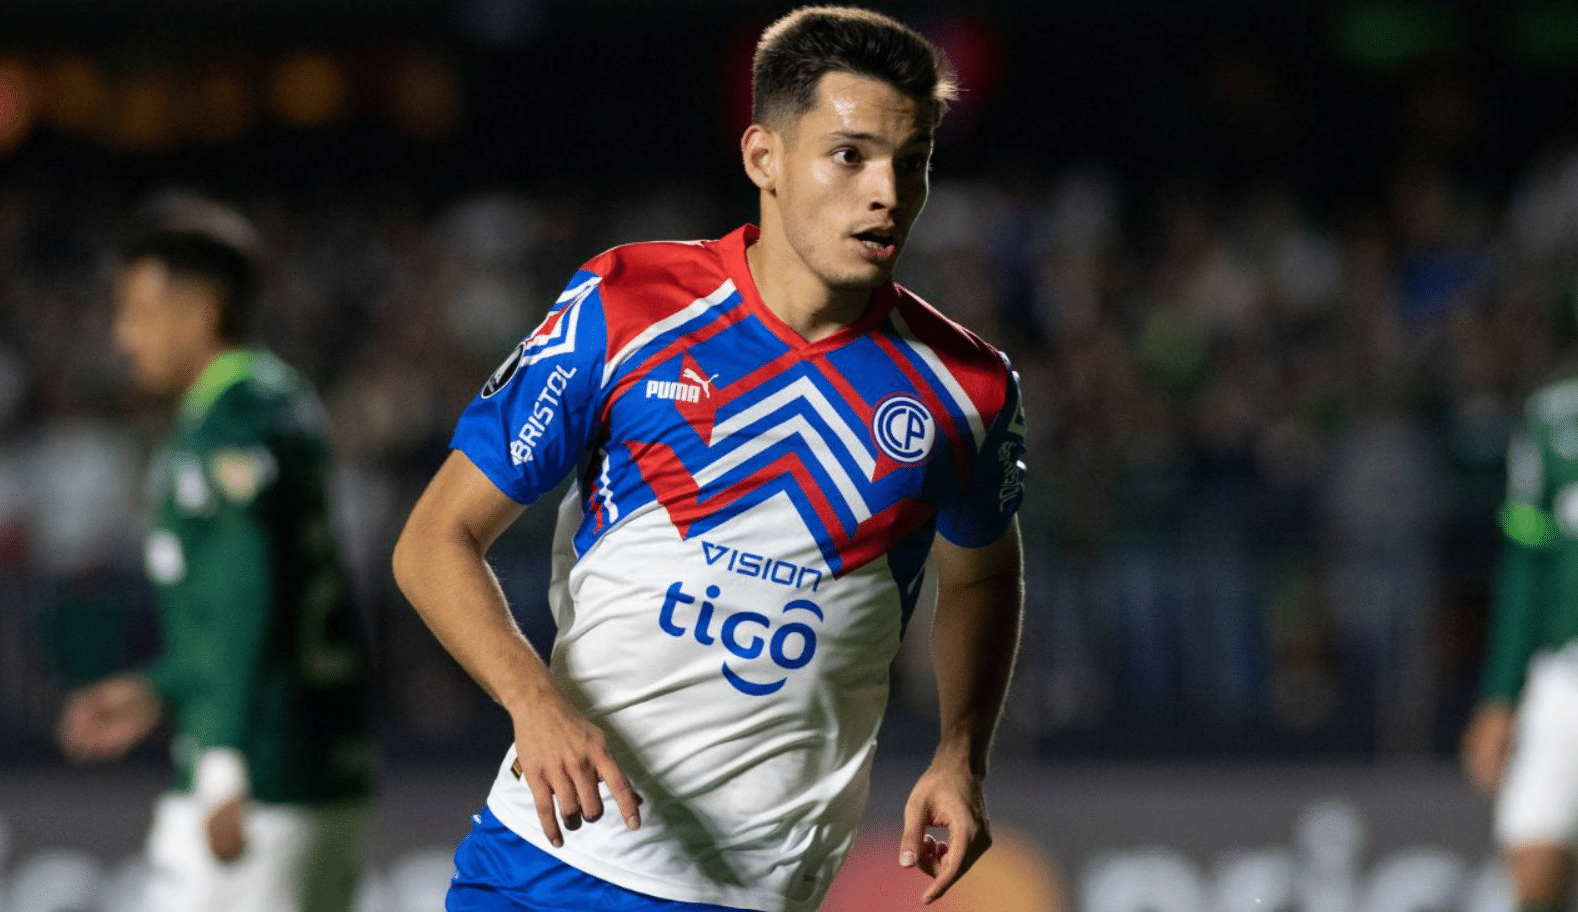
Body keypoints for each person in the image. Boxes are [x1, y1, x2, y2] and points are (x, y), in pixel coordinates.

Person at [392, 7, 1027, 912]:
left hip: (750, 894)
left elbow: (983, 577)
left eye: (912, 161)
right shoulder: (625, 306)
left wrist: (962, 753)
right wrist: (532, 703)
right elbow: (434, 540)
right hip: (543, 861)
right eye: (849, 155)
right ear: (762, 156)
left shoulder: (966, 390)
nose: (887, 191)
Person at [57, 195, 377, 912]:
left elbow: (246, 589)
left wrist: (225, 763)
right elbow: (262, 605)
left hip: (258, 777)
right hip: (318, 764)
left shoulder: (229, 422)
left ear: (200, 309)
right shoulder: (280, 400)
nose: (122, 336)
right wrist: (161, 687)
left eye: (138, 311)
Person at [1461, 366, 1578, 912]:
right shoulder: (1552, 418)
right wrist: (1500, 694)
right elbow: (1525, 555)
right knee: (1534, 862)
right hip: (1565, 665)